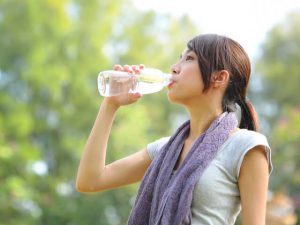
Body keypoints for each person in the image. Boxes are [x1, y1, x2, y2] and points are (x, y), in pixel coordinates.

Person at [76, 34, 273, 225]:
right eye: (180, 58)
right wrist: (110, 104)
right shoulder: (164, 150)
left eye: (189, 58)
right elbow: (90, 180)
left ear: (219, 78)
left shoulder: (246, 146)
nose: (174, 68)